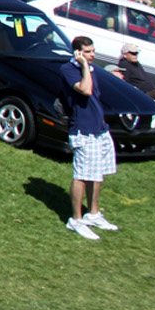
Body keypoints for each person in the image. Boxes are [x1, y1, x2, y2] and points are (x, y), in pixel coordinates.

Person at [61, 37, 117, 240]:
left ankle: (93, 213)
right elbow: (85, 90)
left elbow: (95, 96)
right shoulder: (68, 70)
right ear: (77, 53)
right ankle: (76, 220)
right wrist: (84, 65)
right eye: (87, 52)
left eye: (93, 51)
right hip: (83, 130)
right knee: (82, 175)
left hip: (99, 129)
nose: (92, 55)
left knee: (97, 173)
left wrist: (87, 67)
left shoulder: (92, 70)